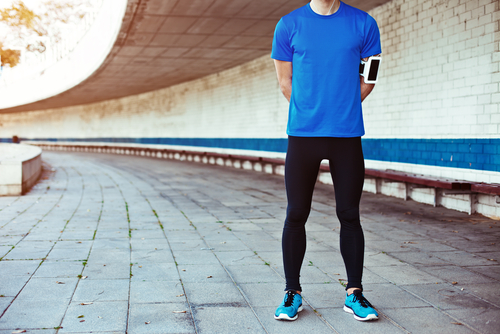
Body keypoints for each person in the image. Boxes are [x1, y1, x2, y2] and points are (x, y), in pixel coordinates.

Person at [271, 0, 382, 322]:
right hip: (303, 134)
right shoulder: (289, 25)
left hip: (346, 135)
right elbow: (284, 81)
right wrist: (312, 112)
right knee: (296, 214)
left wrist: (341, 108)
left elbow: (369, 78)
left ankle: (355, 294)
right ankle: (292, 293)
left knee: (349, 214)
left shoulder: (364, 24)